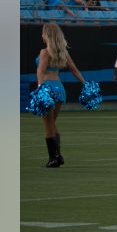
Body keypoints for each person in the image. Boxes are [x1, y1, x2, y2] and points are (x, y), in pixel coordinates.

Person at [33, 24, 89, 168]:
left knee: (48, 125)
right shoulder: (63, 52)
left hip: (47, 87)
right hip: (59, 88)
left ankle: (54, 158)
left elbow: (40, 71)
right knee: (52, 124)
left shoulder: (44, 52)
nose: (41, 35)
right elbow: (75, 70)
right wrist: (85, 83)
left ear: (48, 35)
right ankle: (58, 156)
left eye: (43, 33)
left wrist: (40, 88)